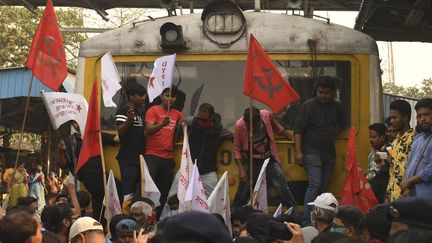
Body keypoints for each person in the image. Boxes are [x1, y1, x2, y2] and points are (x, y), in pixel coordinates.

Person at [293, 76, 346, 226]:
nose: (323, 95)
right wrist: (298, 152)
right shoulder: (308, 106)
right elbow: (298, 130)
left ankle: (319, 220)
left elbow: (342, 125)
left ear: (333, 93)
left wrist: (329, 135)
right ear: (316, 91)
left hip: (329, 155)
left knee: (323, 190)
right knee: (315, 184)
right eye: (320, 92)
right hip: (311, 153)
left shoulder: (337, 108)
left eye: (326, 93)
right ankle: (306, 222)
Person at [233, 107, 296, 211]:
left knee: (281, 185)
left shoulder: (266, 115)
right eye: (249, 126)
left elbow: (277, 127)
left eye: (254, 126)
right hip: (252, 162)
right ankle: (234, 214)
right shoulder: (239, 126)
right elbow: (236, 149)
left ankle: (293, 212)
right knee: (244, 190)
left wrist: (290, 137)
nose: (251, 129)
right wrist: (241, 169)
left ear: (259, 121)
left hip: (269, 160)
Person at [57, 120, 119, 220]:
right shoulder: (69, 141)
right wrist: (61, 152)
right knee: (114, 189)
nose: (77, 122)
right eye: (74, 121)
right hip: (88, 177)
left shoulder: (95, 135)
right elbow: (62, 165)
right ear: (72, 124)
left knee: (99, 202)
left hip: (101, 174)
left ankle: (100, 222)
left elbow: (115, 139)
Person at [145, 86, 185, 217]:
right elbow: (148, 130)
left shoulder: (177, 114)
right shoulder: (153, 110)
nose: (170, 99)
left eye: (172, 96)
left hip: (168, 157)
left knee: (164, 191)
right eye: (167, 95)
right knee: (149, 190)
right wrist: (161, 125)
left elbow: (186, 124)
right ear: (161, 96)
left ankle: (159, 218)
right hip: (152, 155)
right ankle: (145, 217)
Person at [180, 103, 233, 196]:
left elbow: (234, 138)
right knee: (173, 195)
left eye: (204, 120)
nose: (200, 122)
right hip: (188, 168)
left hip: (207, 172)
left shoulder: (220, 130)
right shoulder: (192, 121)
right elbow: (181, 123)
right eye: (199, 118)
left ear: (212, 117)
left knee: (215, 197)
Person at [115, 82, 147, 203]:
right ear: (131, 96)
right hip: (128, 158)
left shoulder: (142, 111)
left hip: (141, 157)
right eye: (140, 95)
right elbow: (120, 131)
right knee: (128, 191)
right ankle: (127, 217)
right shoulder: (123, 110)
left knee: (140, 191)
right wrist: (129, 120)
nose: (143, 98)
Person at [401, 98, 432, 198]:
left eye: (426, 114)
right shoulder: (418, 138)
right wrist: (406, 186)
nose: (422, 119)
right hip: (412, 195)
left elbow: (429, 171)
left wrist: (409, 182)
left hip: (427, 198)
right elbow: (408, 164)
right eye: (419, 116)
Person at [386, 100, 415, 201]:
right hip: (392, 198)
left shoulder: (414, 139)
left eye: (395, 117)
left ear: (405, 118)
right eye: (391, 118)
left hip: (406, 197)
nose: (391, 121)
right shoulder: (395, 141)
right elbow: (393, 169)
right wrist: (387, 196)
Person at [367, 123, 390, 203]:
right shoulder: (371, 154)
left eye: (374, 137)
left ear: (382, 138)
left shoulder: (389, 150)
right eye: (370, 137)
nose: (371, 140)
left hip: (381, 192)